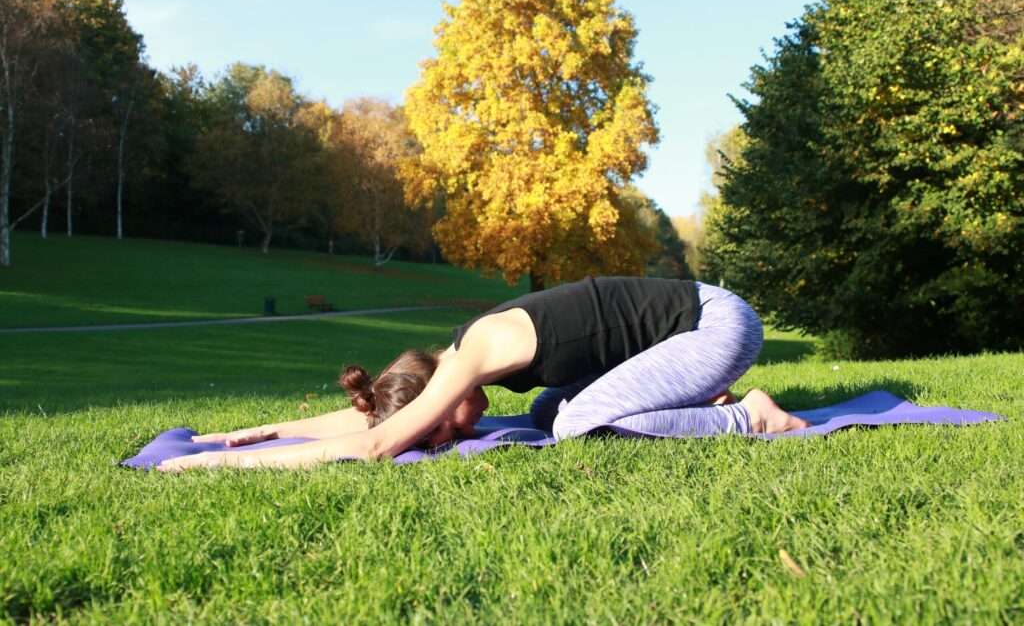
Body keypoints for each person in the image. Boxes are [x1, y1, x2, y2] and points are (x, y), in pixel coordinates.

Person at [159, 277, 810, 471]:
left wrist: (217, 466)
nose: (448, 438)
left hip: (717, 325)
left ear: (438, 400)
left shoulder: (474, 353)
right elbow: (374, 420)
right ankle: (697, 390)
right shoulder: (453, 354)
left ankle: (747, 413)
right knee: (543, 413)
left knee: (578, 423)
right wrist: (260, 431)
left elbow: (375, 444)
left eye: (437, 434)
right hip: (683, 337)